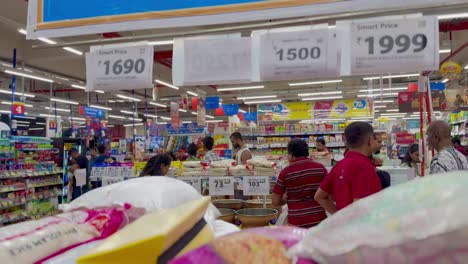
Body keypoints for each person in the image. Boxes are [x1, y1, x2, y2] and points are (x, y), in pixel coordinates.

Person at [315, 122, 382, 214]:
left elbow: (319, 196)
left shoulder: (339, 165)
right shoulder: (364, 166)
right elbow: (360, 207)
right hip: (361, 227)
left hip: (345, 226)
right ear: (370, 140)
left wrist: (338, 217)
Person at [272, 139, 328, 228]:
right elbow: (329, 194)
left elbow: (275, 202)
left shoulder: (286, 172)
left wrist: (286, 198)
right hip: (319, 220)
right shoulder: (320, 168)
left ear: (292, 155)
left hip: (296, 222)